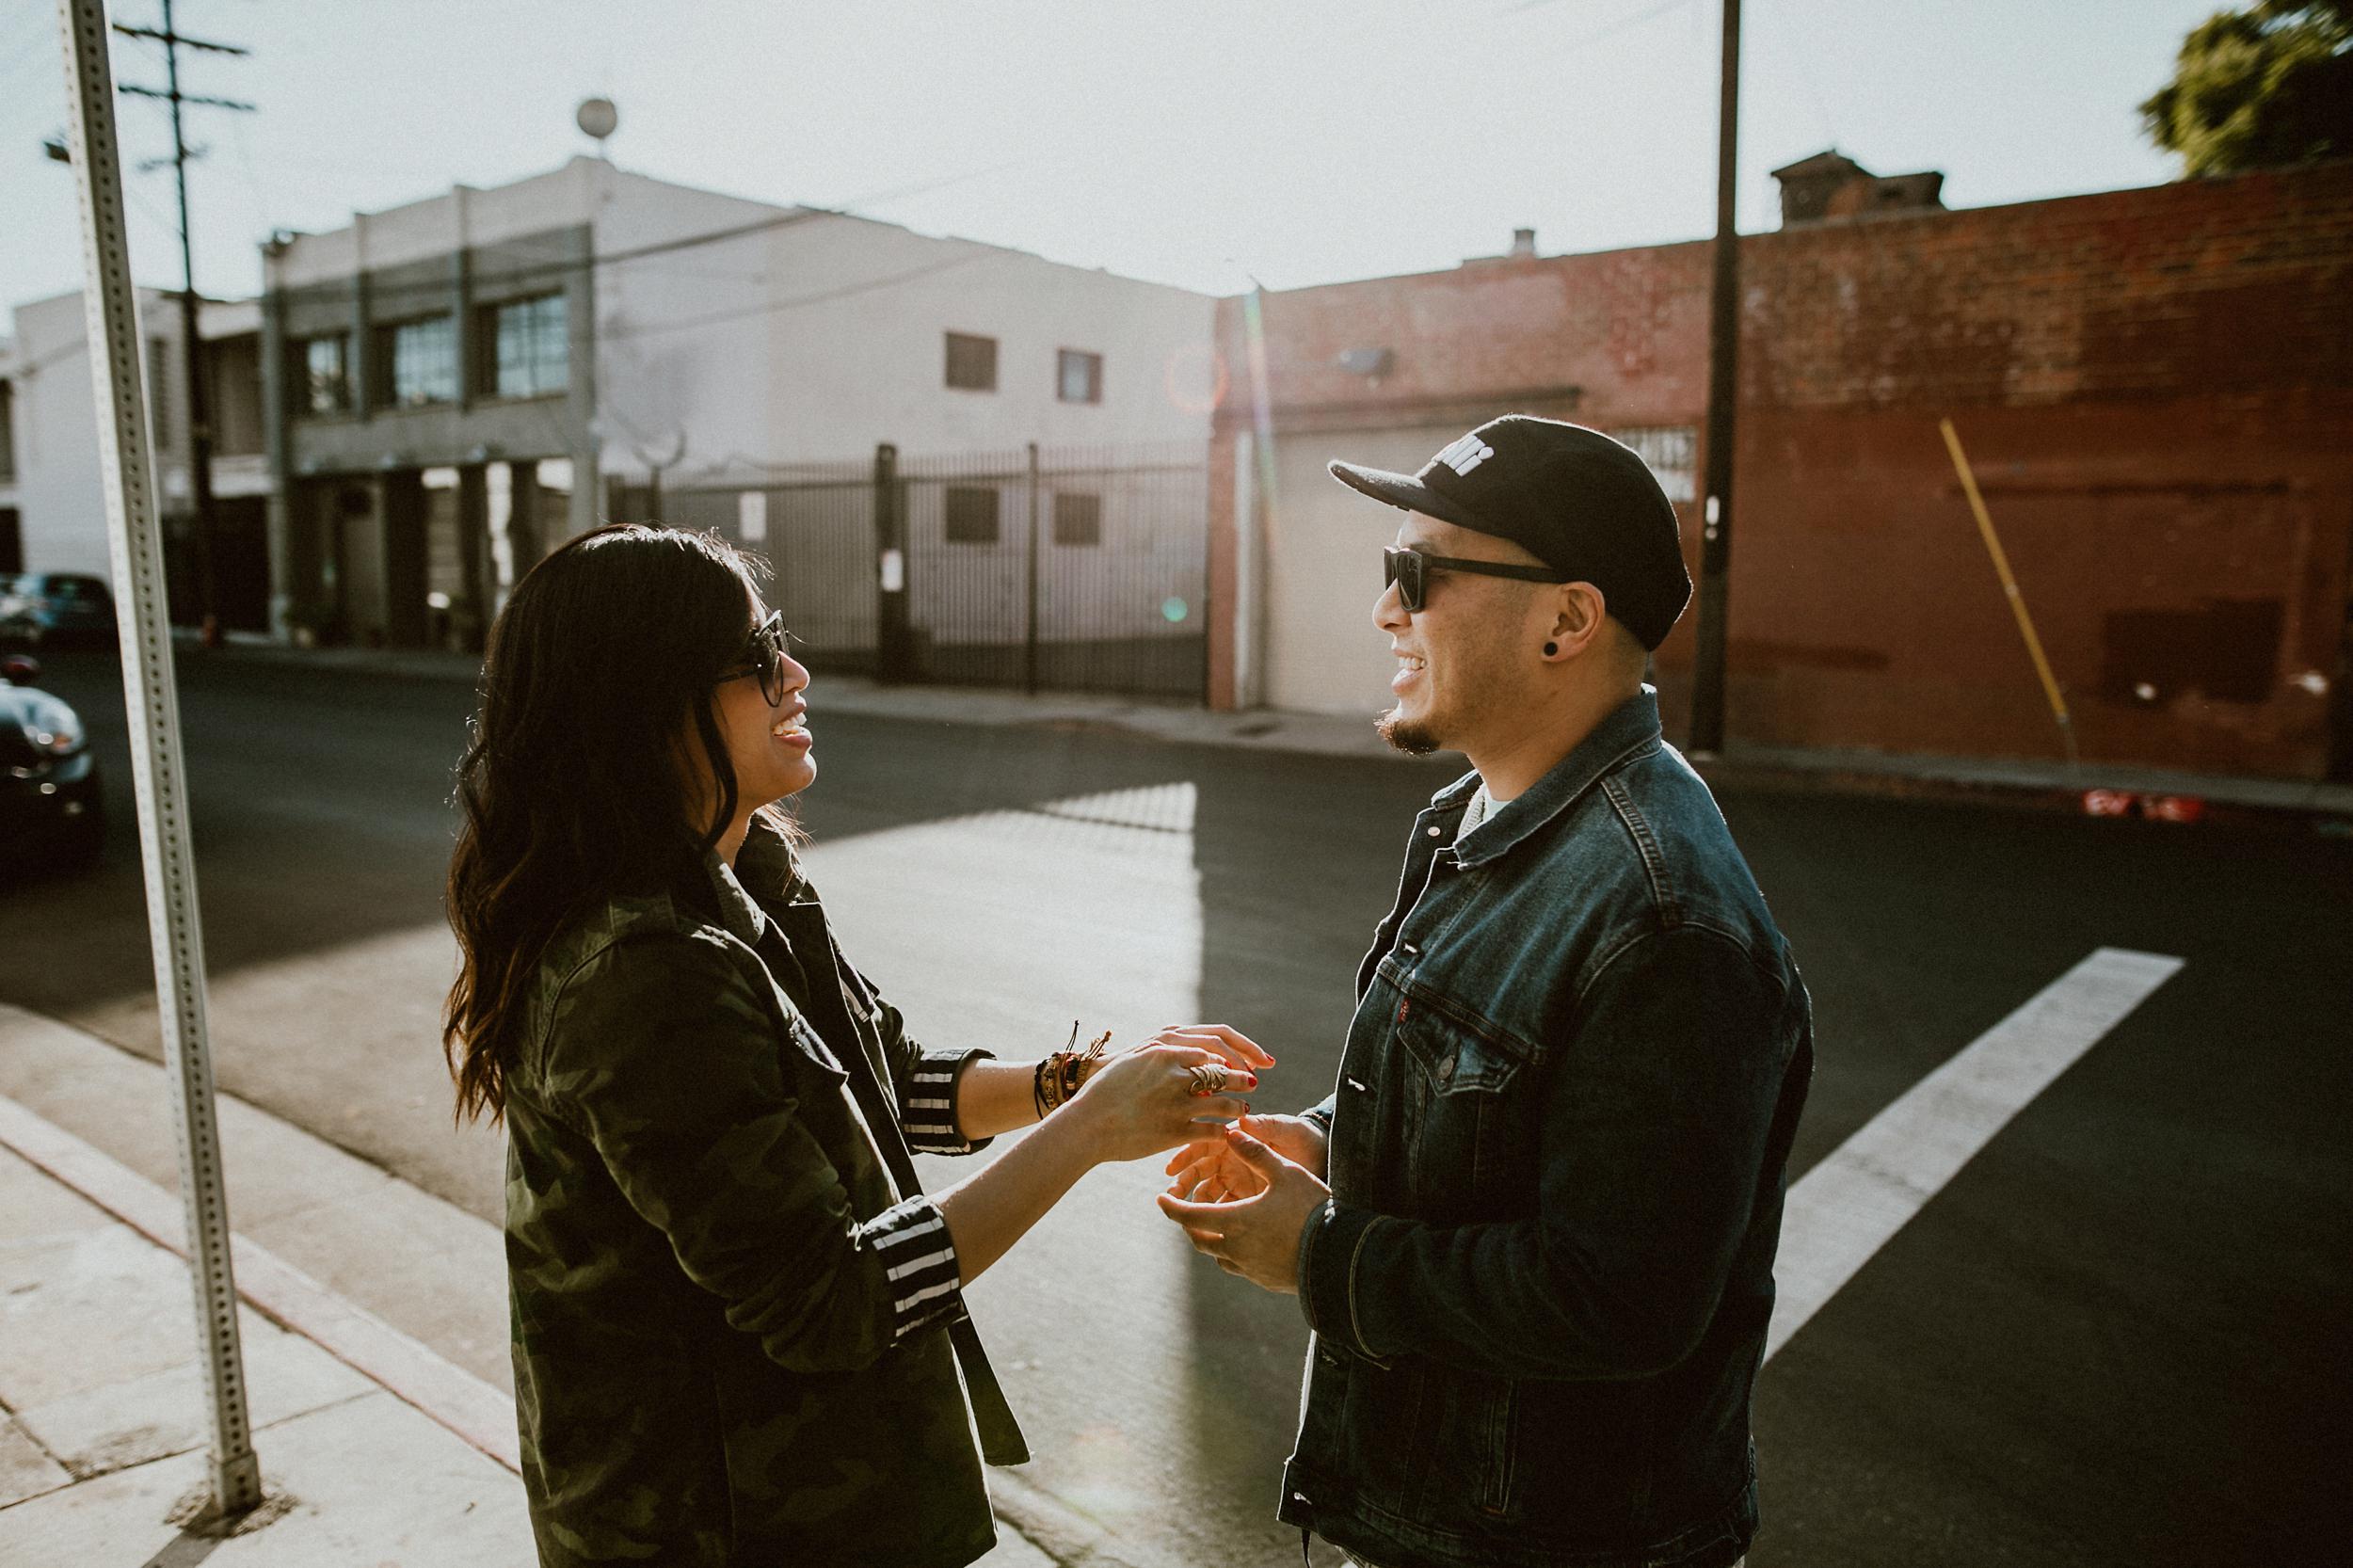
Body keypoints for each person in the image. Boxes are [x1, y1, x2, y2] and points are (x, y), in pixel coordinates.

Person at [441, 524, 1268, 1568]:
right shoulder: (643, 970)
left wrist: (1075, 1084)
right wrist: (1094, 1132)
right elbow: (830, 1299)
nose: (794, 673)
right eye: (752, 658)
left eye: (777, 638)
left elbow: (894, 1085)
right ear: (640, 707)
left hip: (820, 1499)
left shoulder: (745, 876)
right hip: (719, 1526)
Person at [1159, 417, 1814, 1568]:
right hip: (1435, 1519)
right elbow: (1488, 1104)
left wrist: (1320, 1255)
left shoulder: (1665, 921)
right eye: (1386, 572)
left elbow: (1622, 1299)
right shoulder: (1482, 812)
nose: (1384, 611)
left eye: (1417, 575)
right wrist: (1325, 1142)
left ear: (1567, 620)